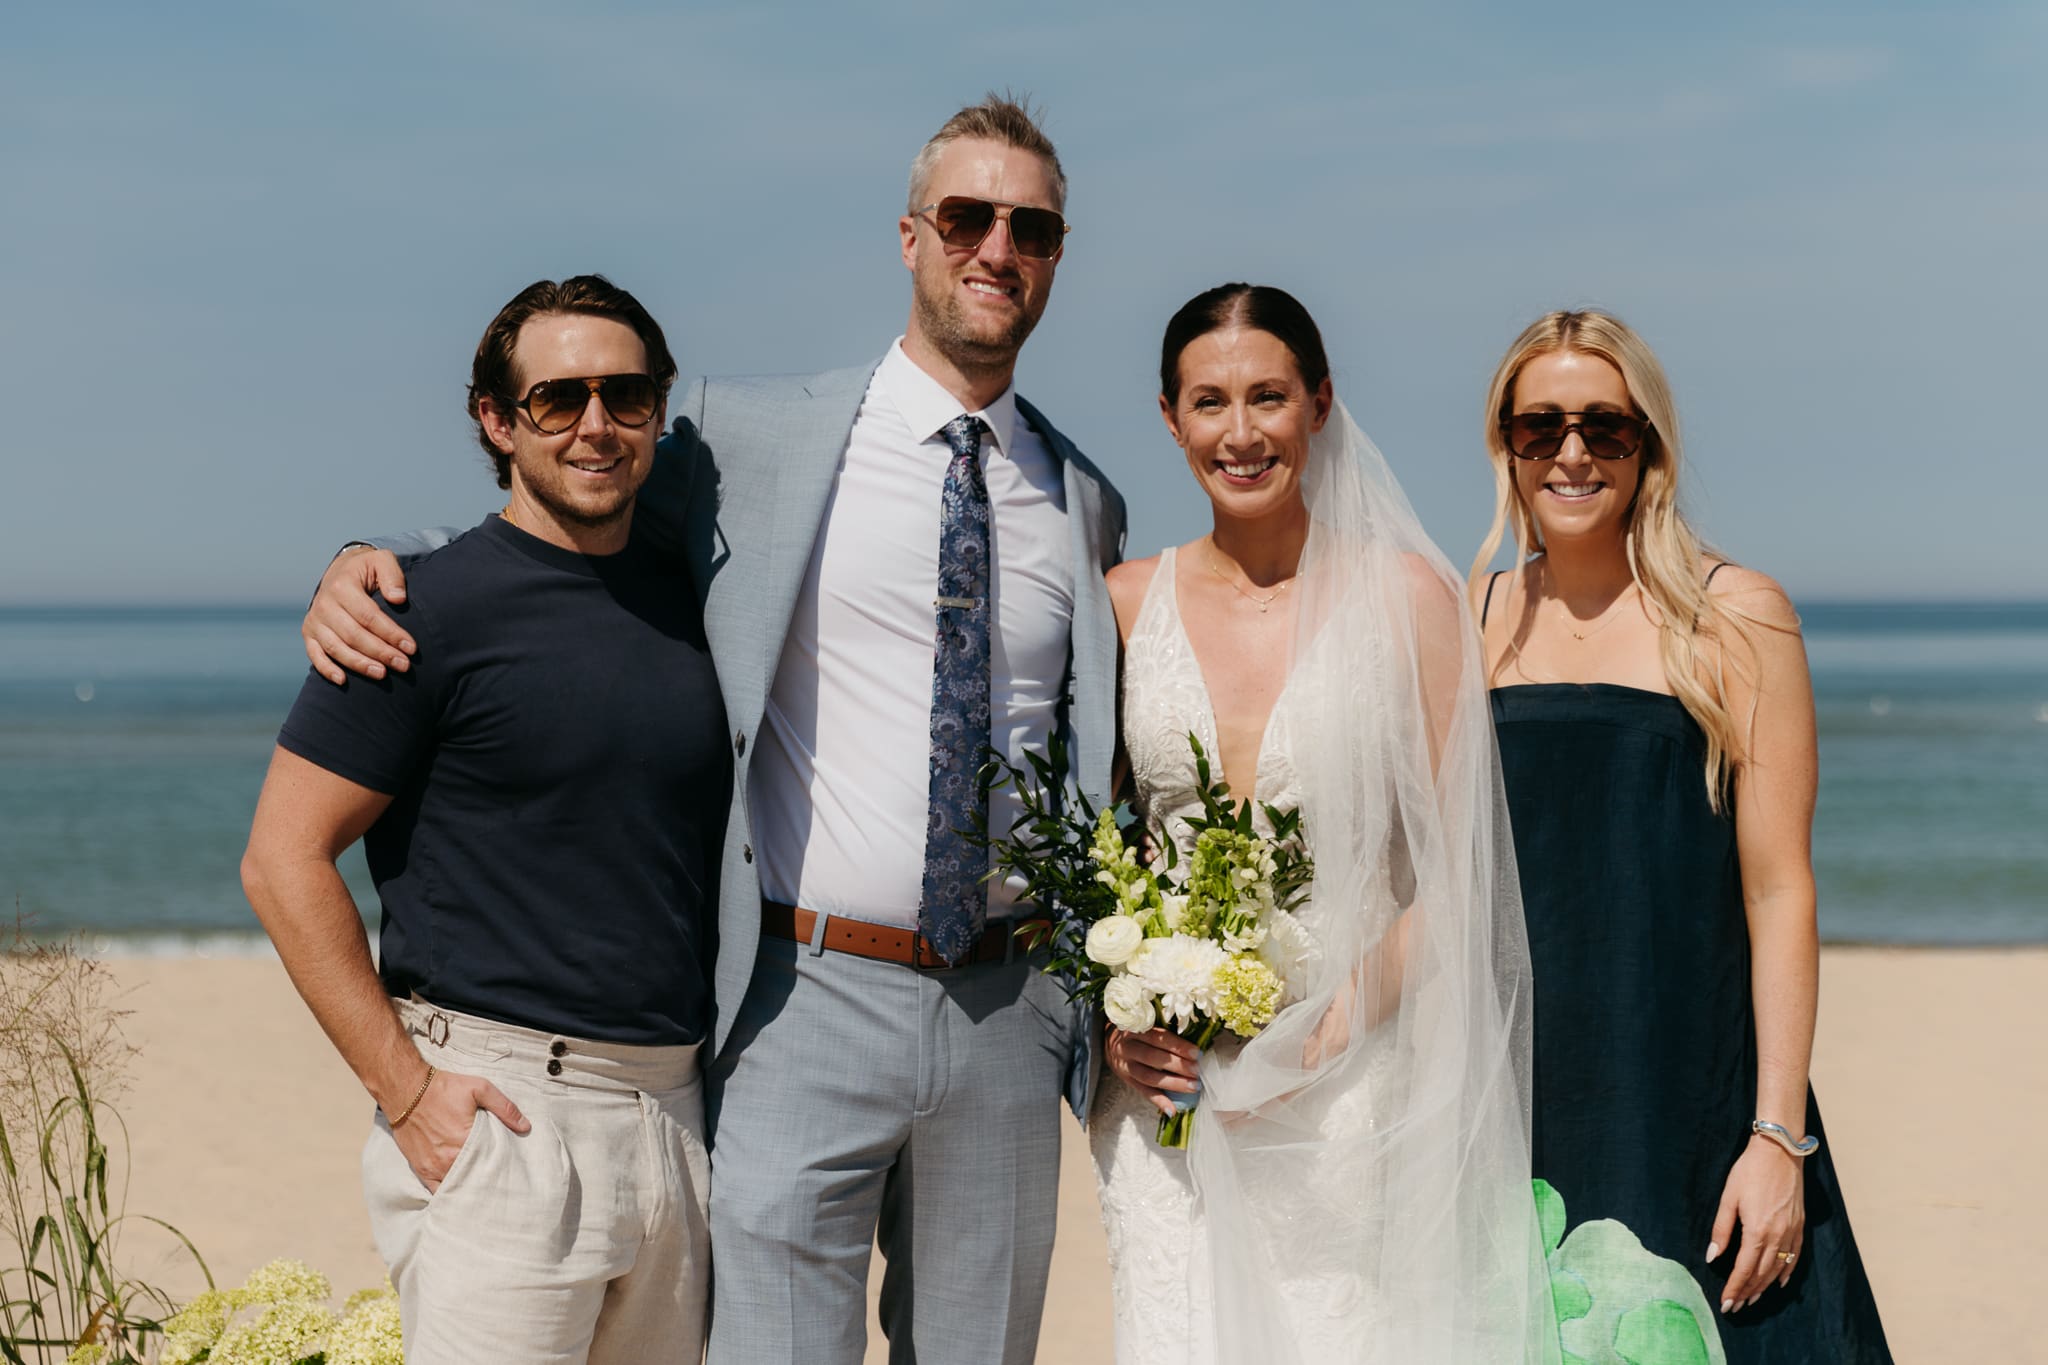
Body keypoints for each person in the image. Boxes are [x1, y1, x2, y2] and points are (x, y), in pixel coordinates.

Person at [298, 96, 1125, 1365]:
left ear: (1057, 254)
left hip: (1008, 1012)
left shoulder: (1084, 499)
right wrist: (375, 557)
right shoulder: (755, 438)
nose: (995, 248)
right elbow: (569, 505)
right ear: (910, 237)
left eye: (1030, 226)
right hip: (800, 998)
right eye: (966, 217)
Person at [242, 276, 721, 1363]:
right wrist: (406, 1094)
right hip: (504, 1116)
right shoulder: (418, 612)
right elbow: (282, 861)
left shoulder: (700, 598)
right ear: (496, 421)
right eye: (557, 399)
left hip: (678, 1115)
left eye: (626, 393)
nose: (595, 424)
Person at [1094, 284, 1556, 1362]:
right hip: (1171, 1100)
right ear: (1168, 417)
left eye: (1267, 397)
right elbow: (1095, 853)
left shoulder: (1407, 599)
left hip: (1350, 1096)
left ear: (1318, 406)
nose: (1240, 433)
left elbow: (1457, 868)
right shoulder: (1121, 600)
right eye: (1209, 403)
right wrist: (1118, 1019)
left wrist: (1322, 1032)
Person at [1473, 309, 1892, 1359]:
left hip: (1694, 1099)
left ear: (1646, 446)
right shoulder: (1463, 620)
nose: (1570, 454)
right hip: (1514, 1102)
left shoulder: (1734, 613)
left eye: (1603, 428)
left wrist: (1775, 1138)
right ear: (1506, 445)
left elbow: (1778, 892)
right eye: (1540, 429)